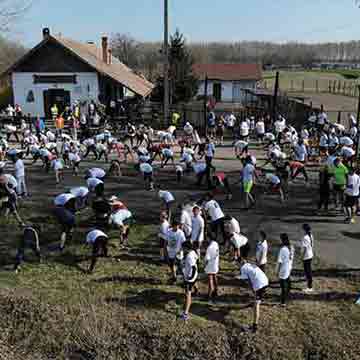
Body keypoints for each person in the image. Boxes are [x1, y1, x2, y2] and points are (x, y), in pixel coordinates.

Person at [239, 250, 269, 333]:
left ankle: (254, 327)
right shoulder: (249, 264)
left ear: (240, 263)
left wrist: (253, 291)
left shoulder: (243, 268)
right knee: (257, 299)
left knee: (256, 305)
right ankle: (257, 299)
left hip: (260, 285)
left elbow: (248, 282)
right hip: (265, 280)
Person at [180, 241, 199, 321]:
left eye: (183, 248)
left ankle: (185, 314)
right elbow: (197, 261)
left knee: (188, 295)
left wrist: (189, 278)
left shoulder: (189, 257)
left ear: (186, 248)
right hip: (194, 276)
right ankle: (197, 291)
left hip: (190, 278)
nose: (182, 249)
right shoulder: (193, 252)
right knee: (194, 284)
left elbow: (193, 267)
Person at [276, 233, 294, 306]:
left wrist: (277, 271)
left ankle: (283, 302)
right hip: (289, 267)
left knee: (283, 287)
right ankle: (288, 294)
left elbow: (280, 262)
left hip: (283, 269)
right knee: (288, 281)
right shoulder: (291, 247)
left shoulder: (283, 249)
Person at [204, 236, 219, 303]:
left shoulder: (209, 248)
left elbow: (207, 259)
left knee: (210, 279)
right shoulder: (216, 244)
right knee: (215, 277)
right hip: (215, 263)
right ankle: (216, 290)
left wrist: (204, 265)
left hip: (210, 265)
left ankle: (209, 295)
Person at [300, 224, 314, 293]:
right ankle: (309, 284)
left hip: (306, 256)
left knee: (308, 271)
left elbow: (304, 248)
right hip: (310, 255)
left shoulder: (305, 237)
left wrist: (302, 257)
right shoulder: (310, 235)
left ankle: (309, 287)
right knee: (308, 271)